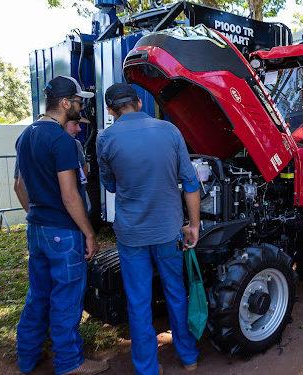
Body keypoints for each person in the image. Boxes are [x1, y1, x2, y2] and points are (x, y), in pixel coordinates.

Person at [96, 83, 200, 373]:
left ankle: (147, 368)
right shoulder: (169, 131)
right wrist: (193, 225)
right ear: (139, 103)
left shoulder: (105, 138)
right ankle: (189, 356)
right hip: (169, 230)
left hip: (131, 234)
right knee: (176, 292)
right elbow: (190, 184)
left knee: (138, 300)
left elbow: (110, 184)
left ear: (110, 110)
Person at [13, 76, 108, 375]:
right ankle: (69, 363)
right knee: (66, 298)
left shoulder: (25, 135)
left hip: (37, 228)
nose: (81, 108)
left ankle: (26, 358)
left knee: (38, 295)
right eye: (79, 102)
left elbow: (18, 185)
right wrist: (89, 233)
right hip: (63, 233)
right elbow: (70, 195)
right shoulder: (62, 141)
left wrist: (38, 214)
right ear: (65, 103)